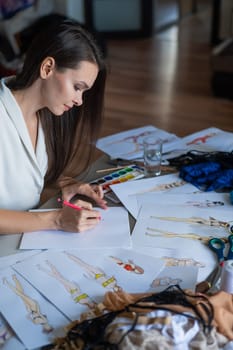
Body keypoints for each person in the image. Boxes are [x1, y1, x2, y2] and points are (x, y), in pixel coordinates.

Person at [0, 19, 108, 234]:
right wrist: (56, 219)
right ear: (47, 68)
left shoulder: (44, 115)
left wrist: (67, 183)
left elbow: (25, 174)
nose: (80, 101)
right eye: (77, 87)